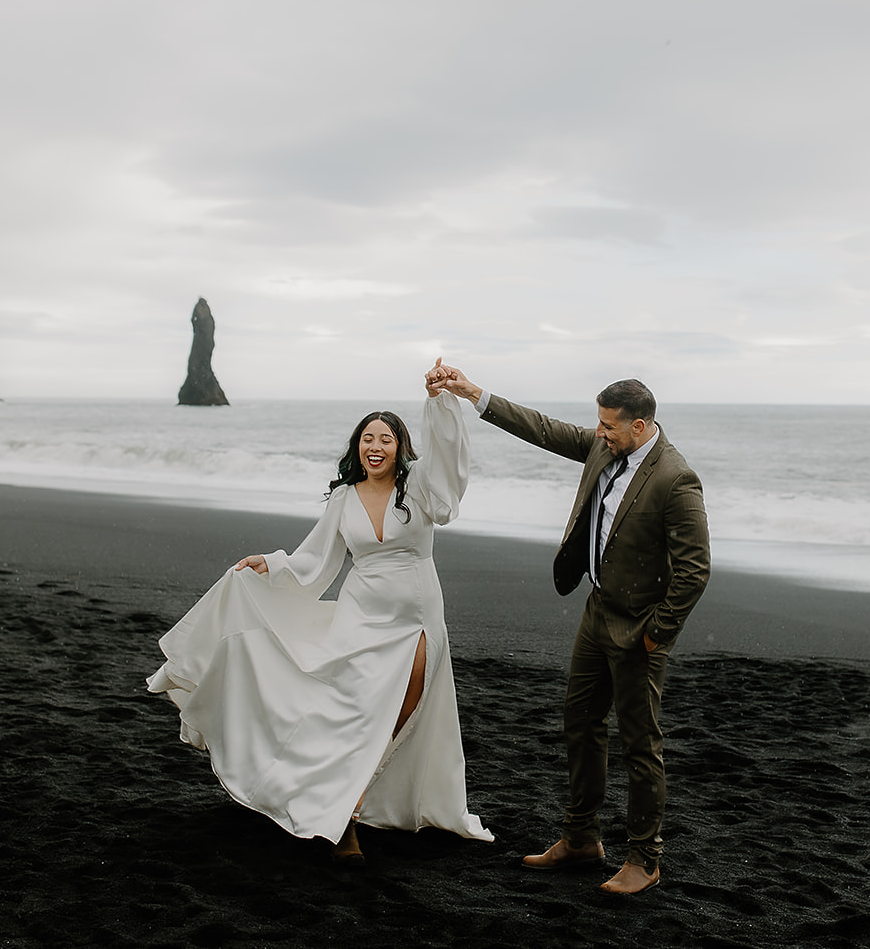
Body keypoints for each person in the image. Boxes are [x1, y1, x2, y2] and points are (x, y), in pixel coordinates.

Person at [145, 365, 491, 864]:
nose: (375, 446)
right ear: (356, 448)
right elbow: (315, 561)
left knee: (404, 707)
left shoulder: (419, 489)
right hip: (360, 615)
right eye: (367, 439)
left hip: (417, 615)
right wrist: (271, 564)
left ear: (400, 447)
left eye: (386, 439)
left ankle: (352, 796)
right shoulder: (344, 498)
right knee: (354, 712)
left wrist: (440, 402)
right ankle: (343, 810)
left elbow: (451, 469)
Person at [427, 363, 709, 896]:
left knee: (640, 745)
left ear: (642, 426)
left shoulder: (675, 478)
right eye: (598, 424)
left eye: (609, 426)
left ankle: (644, 859)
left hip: (639, 631)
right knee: (580, 722)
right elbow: (544, 429)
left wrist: (655, 635)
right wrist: (471, 393)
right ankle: (581, 838)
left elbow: (695, 569)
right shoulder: (608, 448)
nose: (599, 433)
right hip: (595, 613)